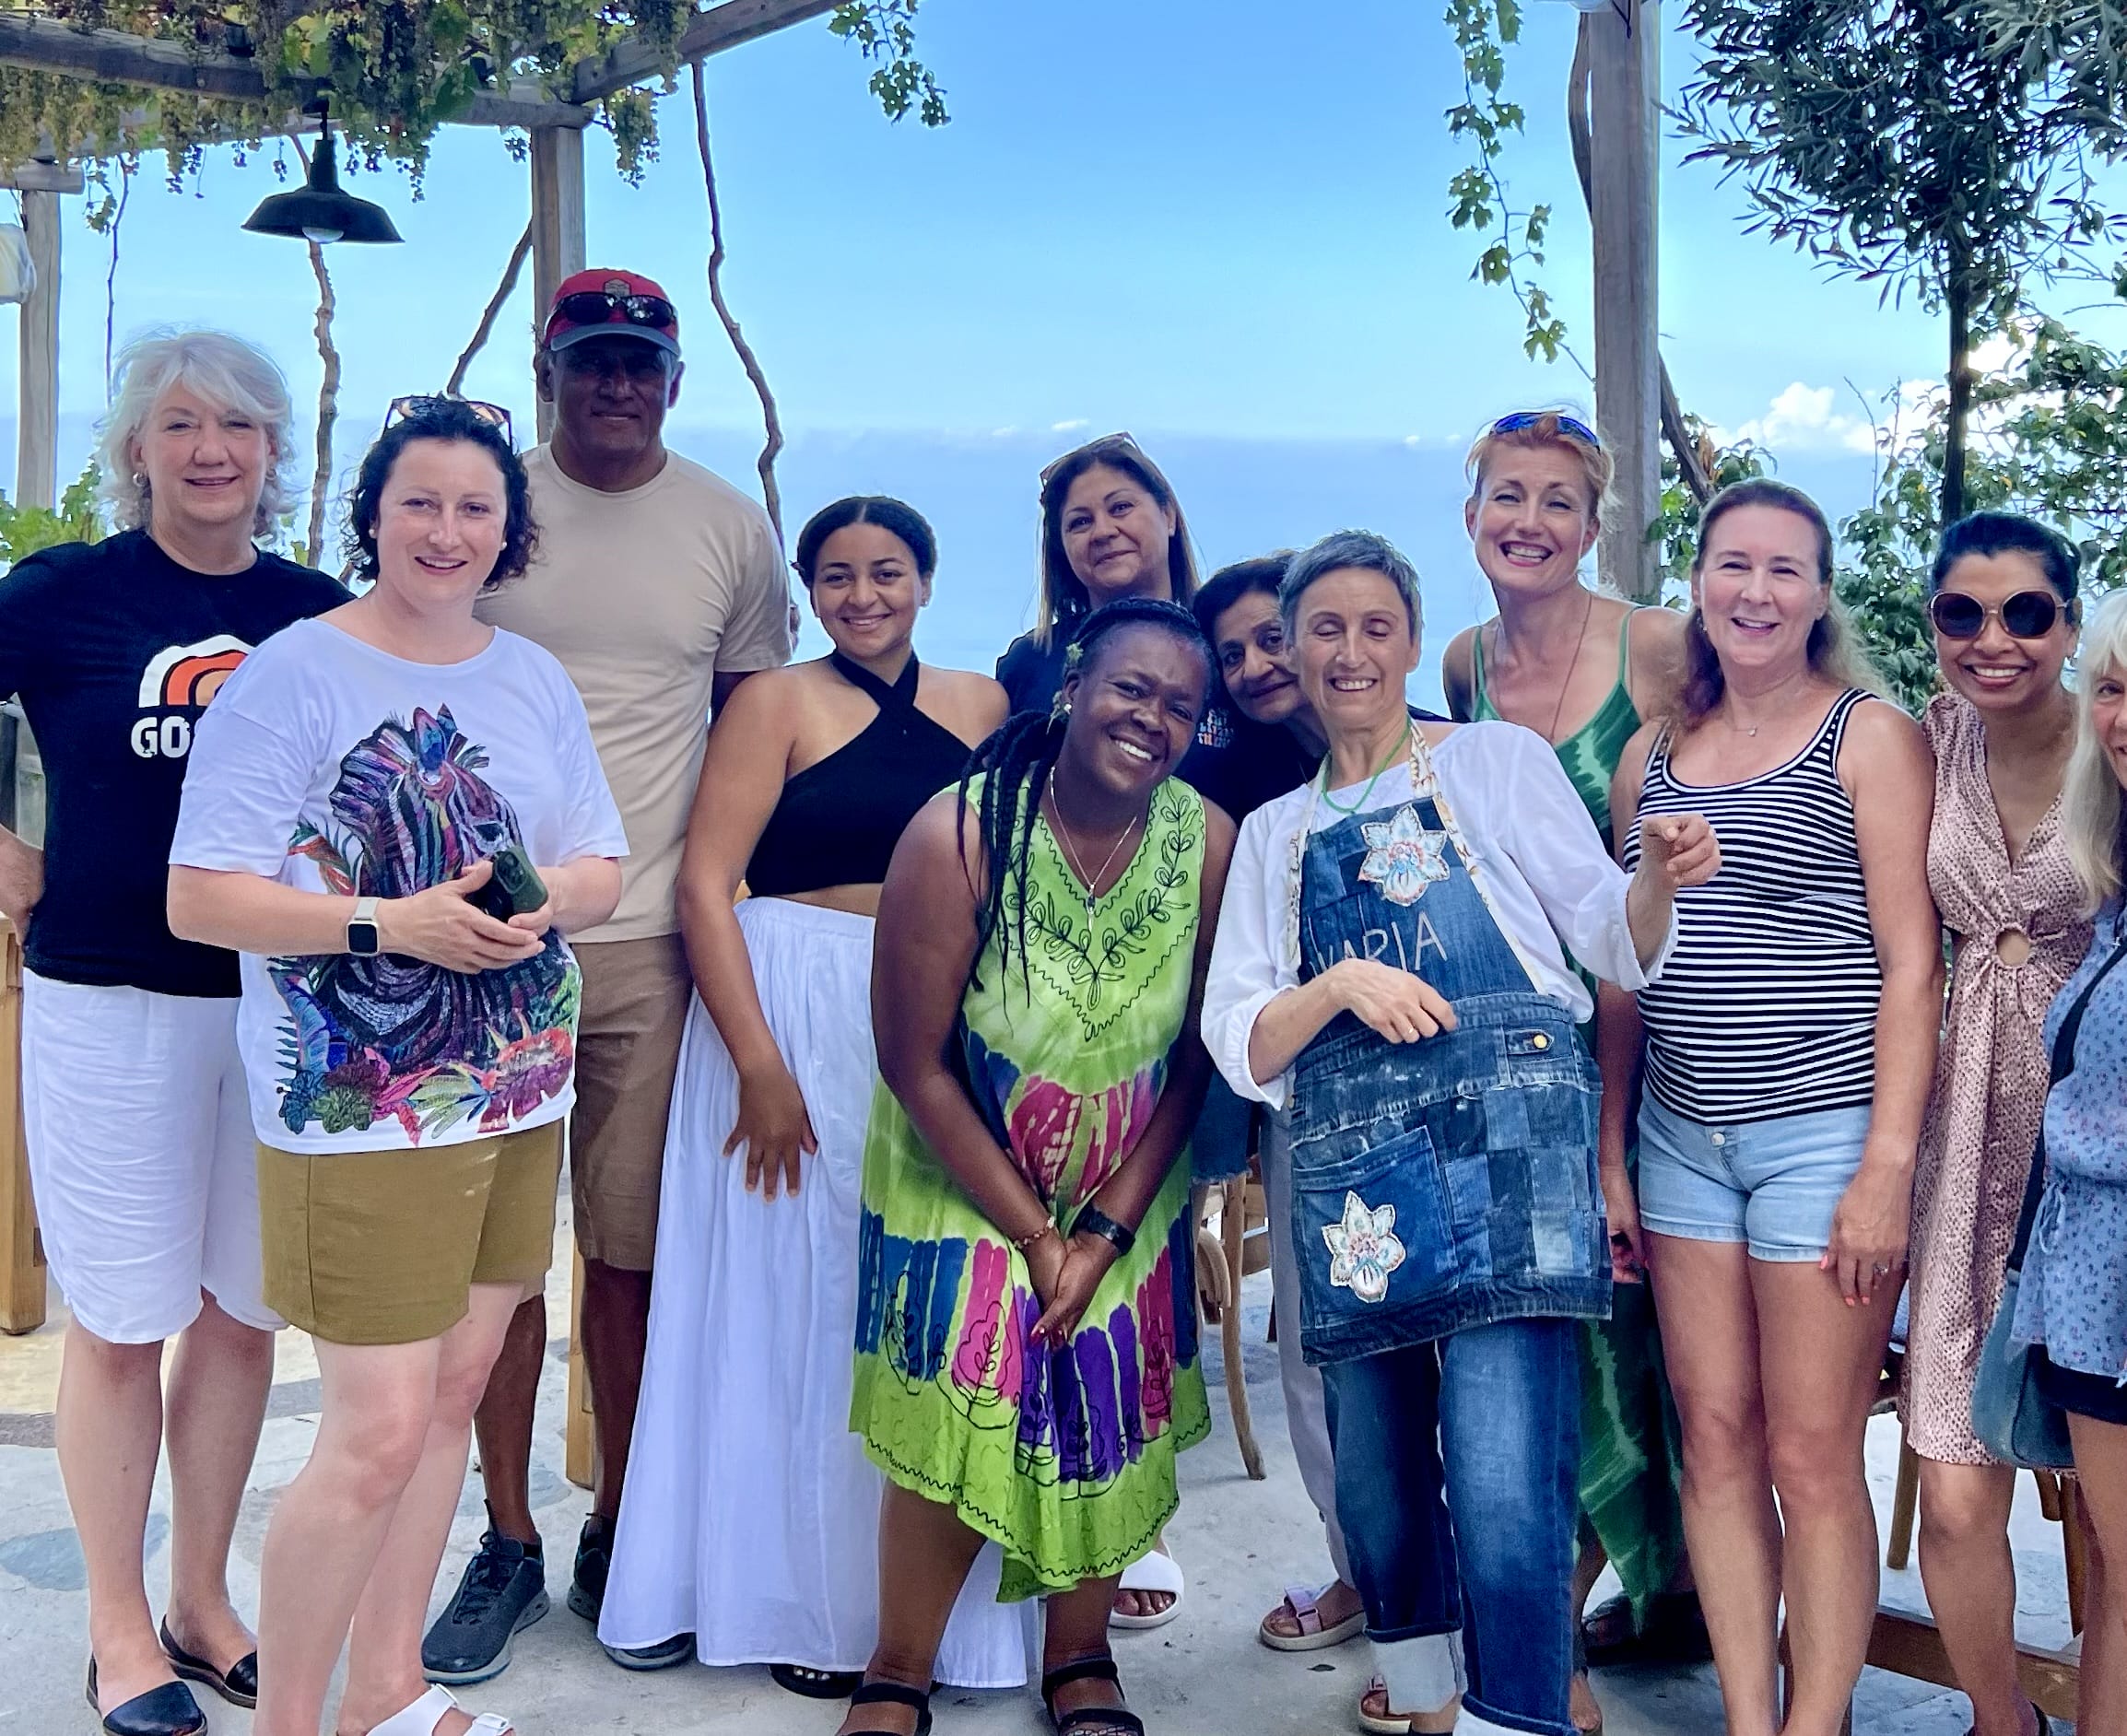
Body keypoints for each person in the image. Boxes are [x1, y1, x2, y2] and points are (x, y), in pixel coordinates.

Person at [1203, 530, 1716, 1736]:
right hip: (1355, 1180)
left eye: (1377, 626)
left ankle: (1517, 1716)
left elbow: (1604, 935)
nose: (1351, 651)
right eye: (1322, 627)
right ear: (1291, 647)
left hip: (1510, 1157)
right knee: (1376, 1486)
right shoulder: (1277, 831)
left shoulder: (1494, 762)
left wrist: (1658, 882)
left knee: (1503, 1483)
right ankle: (1428, 1699)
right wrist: (1336, 988)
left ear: (1409, 639)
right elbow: (1238, 1031)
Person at [167, 399, 627, 1736]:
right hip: (358, 1116)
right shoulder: (295, 674)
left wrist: (550, 909)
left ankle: (387, 1687)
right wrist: (388, 925)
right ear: (372, 514)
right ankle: (292, 1721)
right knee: (371, 1429)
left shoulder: (527, 677)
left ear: (508, 531)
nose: (445, 530)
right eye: (418, 502)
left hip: (522, 1084)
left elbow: (600, 858)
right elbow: (201, 898)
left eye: (475, 507)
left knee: (448, 1404)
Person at [596, 497, 1035, 1693]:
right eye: (835, 577)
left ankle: (907, 1614)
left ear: (927, 580)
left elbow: (1013, 880)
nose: (863, 595)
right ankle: (787, 1599)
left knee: (912, 1303)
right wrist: (759, 1065)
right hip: (789, 1007)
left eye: (886, 571)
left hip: (935, 1011)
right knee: (788, 1298)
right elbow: (704, 886)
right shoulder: (773, 702)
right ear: (808, 592)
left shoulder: (987, 708)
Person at [423, 269, 794, 1683]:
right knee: (498, 1268)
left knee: (630, 1259)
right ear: (549, 365)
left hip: (649, 942)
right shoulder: (482, 513)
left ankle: (626, 1530)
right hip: (482, 943)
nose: (619, 385)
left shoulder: (726, 528)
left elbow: (755, 713)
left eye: (642, 363)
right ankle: (509, 1537)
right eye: (594, 361)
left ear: (676, 376)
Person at [0, 329, 345, 1736]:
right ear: (134, 446)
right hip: (108, 1001)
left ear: (274, 456)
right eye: (183, 422)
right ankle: (119, 1627)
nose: (213, 449)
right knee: (124, 1322)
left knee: (243, 1315)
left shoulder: (320, 611)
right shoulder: (62, 594)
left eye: (241, 428)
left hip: (278, 1007)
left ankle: (204, 1599)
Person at [837, 598, 1234, 1736]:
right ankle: (898, 1663)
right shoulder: (959, 832)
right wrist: (1031, 1233)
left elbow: (1196, 1059)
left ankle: (1080, 1656)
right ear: (1072, 689)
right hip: (955, 1164)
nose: (1151, 718)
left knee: (1106, 1366)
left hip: (1129, 1176)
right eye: (1130, 690)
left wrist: (1103, 1230)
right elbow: (914, 1064)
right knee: (982, 1346)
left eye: (1179, 707)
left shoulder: (1206, 842)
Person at [1605, 479, 1939, 1736]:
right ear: (1697, 583)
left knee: (1811, 1454)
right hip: (1683, 1137)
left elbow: (1914, 966)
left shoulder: (1868, 735)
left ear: (1819, 593)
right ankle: (1753, 1720)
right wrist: (1612, 1152)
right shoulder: (1650, 754)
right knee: (1718, 1441)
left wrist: (1885, 1170)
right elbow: (1626, 963)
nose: (1756, 591)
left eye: (1785, 569)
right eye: (1733, 565)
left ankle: (1818, 1721)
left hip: (1824, 1135)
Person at [1445, 410, 1698, 1728]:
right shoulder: (1462, 659)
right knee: (1568, 1339)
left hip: (1665, 1026)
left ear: (1593, 525)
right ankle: (1576, 1626)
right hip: (1527, 1051)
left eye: (1557, 501)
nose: (1528, 520)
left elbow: (1703, 826)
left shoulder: (1651, 643)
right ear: (1471, 511)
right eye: (1506, 496)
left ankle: (1632, 1602)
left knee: (1643, 1331)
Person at [1903, 513, 2086, 1736]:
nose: (1995, 639)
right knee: (1956, 1488)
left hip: (2087, 1142)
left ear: (2069, 621)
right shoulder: (1926, 740)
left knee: (2106, 1489)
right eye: (1964, 613)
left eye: (2026, 611)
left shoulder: (2113, 740)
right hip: (1954, 1142)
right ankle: (1997, 1719)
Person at [2014, 586, 2127, 1736]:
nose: (2124, 714)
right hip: (2090, 1290)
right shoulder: (2115, 886)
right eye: (2112, 686)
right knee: (2117, 1587)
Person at [995, 432, 1200, 716]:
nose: (1103, 532)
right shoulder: (1031, 662)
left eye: (1120, 508)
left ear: (1168, 515)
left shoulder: (1224, 651)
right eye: (1080, 522)